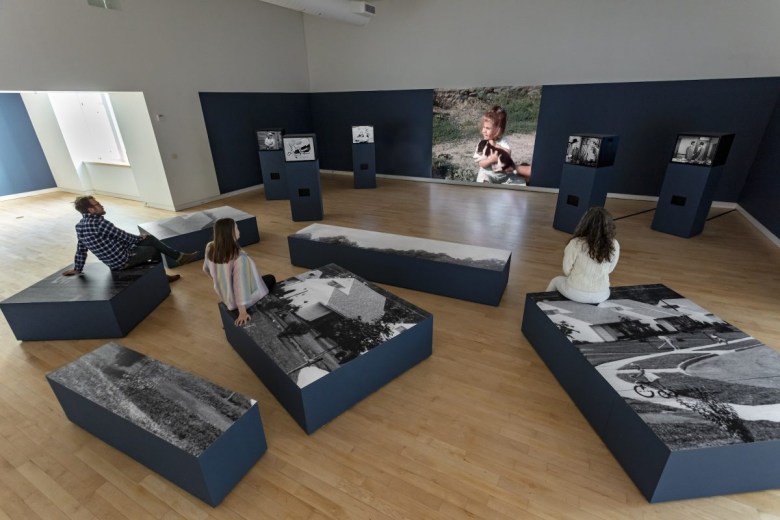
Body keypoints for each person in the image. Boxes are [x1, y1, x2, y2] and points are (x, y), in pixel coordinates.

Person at [62, 196, 198, 283]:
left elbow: (81, 249)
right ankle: (163, 277)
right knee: (153, 248)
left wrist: (78, 268)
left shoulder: (79, 226)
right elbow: (125, 237)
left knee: (148, 239)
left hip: (113, 261)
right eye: (97, 204)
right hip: (123, 260)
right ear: (91, 210)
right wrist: (139, 238)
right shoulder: (100, 223)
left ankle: (179, 257)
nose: (101, 205)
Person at [202, 218, 276, 325]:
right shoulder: (239, 258)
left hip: (225, 297)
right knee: (270, 279)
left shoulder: (210, 247)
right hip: (241, 301)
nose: (239, 230)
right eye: (237, 228)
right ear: (231, 232)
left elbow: (205, 269)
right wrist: (242, 312)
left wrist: (220, 283)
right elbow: (240, 285)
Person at [546, 207, 620, 304]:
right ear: (609, 225)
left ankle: (543, 304)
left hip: (575, 292)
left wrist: (577, 277)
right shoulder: (614, 244)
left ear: (585, 223)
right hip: (602, 294)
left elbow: (566, 270)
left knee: (555, 281)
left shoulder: (575, 243)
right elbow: (610, 269)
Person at [473, 105, 530, 185]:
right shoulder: (482, 144)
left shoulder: (503, 141)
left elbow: (508, 154)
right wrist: (491, 160)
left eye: (488, 128)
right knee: (483, 178)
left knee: (517, 181)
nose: (484, 131)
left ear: (497, 130)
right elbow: (481, 163)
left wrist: (496, 145)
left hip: (502, 175)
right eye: (484, 127)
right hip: (488, 174)